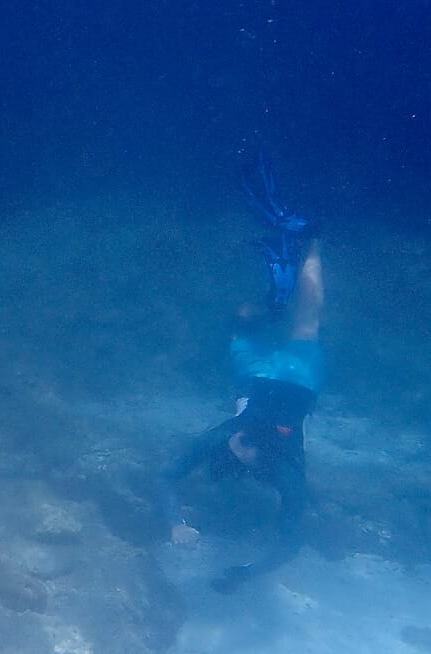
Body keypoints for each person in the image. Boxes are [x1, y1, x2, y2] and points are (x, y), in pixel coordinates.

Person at [159, 154, 324, 593]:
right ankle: (304, 245)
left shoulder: (251, 450)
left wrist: (176, 523)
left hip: (285, 382)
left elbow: (167, 478)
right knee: (295, 321)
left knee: (300, 321)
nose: (241, 440)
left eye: (240, 443)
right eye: (244, 443)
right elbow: (291, 540)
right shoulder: (281, 467)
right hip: (279, 380)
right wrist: (248, 572)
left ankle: (304, 249)